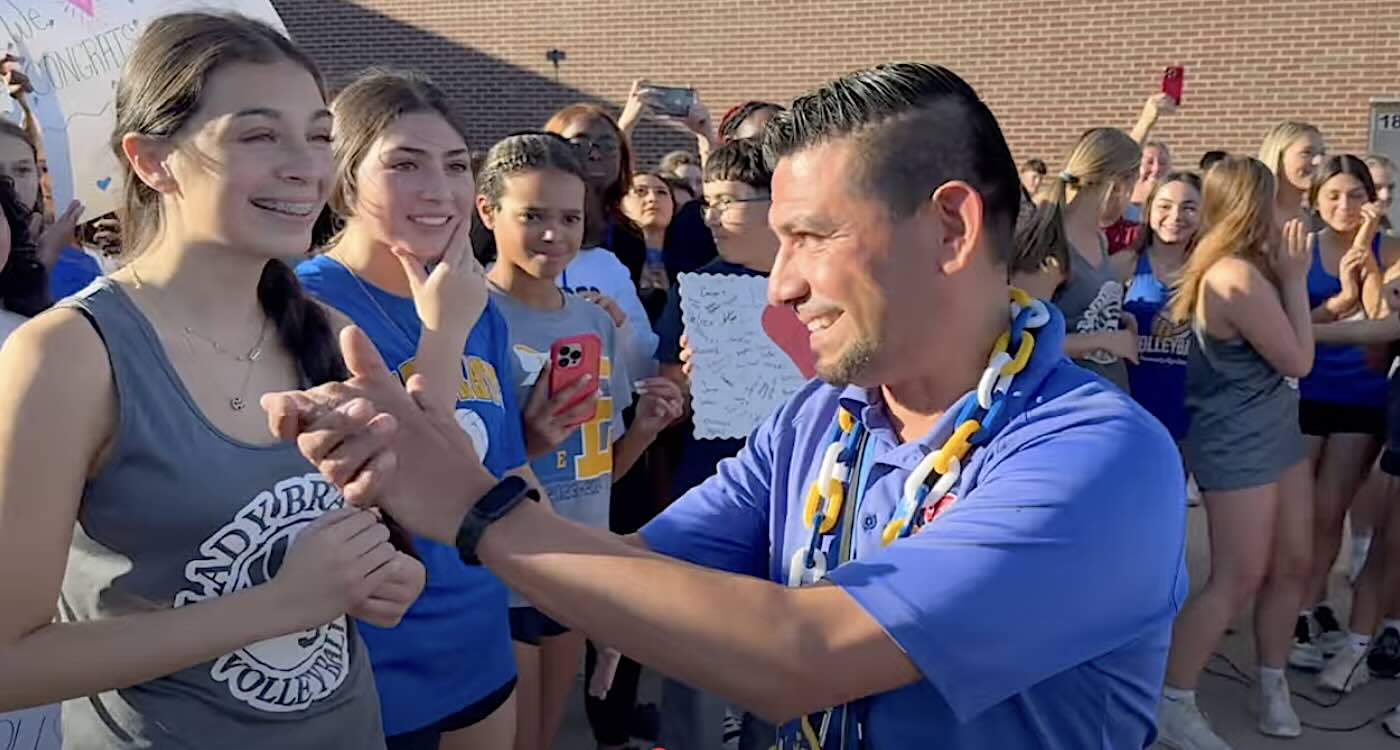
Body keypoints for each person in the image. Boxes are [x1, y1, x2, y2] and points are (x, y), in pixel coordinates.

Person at [263, 62, 1186, 750]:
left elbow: (804, 656)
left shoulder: (1097, 459)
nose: (778, 287)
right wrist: (428, 474)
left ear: (950, 227)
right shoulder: (820, 422)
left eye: (811, 238)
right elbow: (627, 570)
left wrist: (472, 507)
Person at [0, 12, 424, 748]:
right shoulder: (69, 354)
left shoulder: (323, 329)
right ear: (152, 160)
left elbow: (369, 546)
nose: (305, 166)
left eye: (320, 136)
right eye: (259, 135)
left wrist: (388, 574)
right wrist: (280, 604)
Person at [294, 69, 524, 750]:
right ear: (343, 176)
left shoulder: (473, 301)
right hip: (372, 665)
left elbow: (507, 480)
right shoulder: (301, 304)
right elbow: (418, 478)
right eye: (404, 164)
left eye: (457, 166)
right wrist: (443, 334)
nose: (440, 190)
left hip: (481, 644)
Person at [476, 132, 682, 750]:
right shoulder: (465, 318)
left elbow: (599, 473)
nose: (553, 235)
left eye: (568, 218)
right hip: (501, 572)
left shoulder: (595, 320)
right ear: (488, 212)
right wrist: (529, 439)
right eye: (532, 216)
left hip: (578, 568)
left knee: (550, 738)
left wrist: (647, 425)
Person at [1156, 156, 1315, 748]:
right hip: (1236, 440)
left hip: (1276, 431)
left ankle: (1271, 679)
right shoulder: (1235, 277)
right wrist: (1296, 280)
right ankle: (1173, 700)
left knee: (1293, 562)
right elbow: (1298, 360)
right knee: (1237, 578)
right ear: (1254, 205)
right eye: (1275, 199)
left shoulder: (1250, 267)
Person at [652, 138, 779, 750]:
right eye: (707, 200)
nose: (710, 215)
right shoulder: (700, 284)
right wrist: (678, 386)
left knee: (780, 676)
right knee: (697, 668)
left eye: (728, 201)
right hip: (711, 487)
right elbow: (668, 392)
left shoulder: (818, 286)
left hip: (798, 500)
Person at [1286, 155, 1400, 672]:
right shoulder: (1299, 248)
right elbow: (1287, 320)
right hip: (1305, 390)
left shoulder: (1391, 249)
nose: (1345, 206)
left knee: (1330, 509)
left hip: (1362, 395)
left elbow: (1384, 326)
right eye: (1333, 195)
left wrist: (1367, 258)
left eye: (1356, 195)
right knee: (1300, 510)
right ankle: (1299, 607)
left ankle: (1308, 609)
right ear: (1315, 199)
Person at [1012, 127, 1141, 391]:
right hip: (1062, 403)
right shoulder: (1052, 247)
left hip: (1106, 394)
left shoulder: (1099, 238)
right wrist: (1103, 340)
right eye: (1133, 185)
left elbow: (1078, 311)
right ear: (1118, 185)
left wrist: (1116, 316)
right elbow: (1018, 341)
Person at [544, 104, 659, 380]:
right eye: (579, 145)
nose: (594, 154)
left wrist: (618, 323)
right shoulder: (508, 246)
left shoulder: (625, 241)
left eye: (607, 145)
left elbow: (641, 359)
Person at [1118, 171, 1202, 442]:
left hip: (1189, 418)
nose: (1176, 216)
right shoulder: (1124, 264)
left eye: (1189, 207)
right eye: (1165, 206)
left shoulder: (1210, 273)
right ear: (1148, 210)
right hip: (1130, 409)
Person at [1259, 122, 1324, 230]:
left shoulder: (1320, 223)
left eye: (1322, 154)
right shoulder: (1254, 218)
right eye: (1306, 153)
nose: (1318, 161)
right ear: (1279, 158)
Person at [622, 171, 675, 300]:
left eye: (661, 192)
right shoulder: (610, 260)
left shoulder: (693, 260)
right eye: (640, 191)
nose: (652, 198)